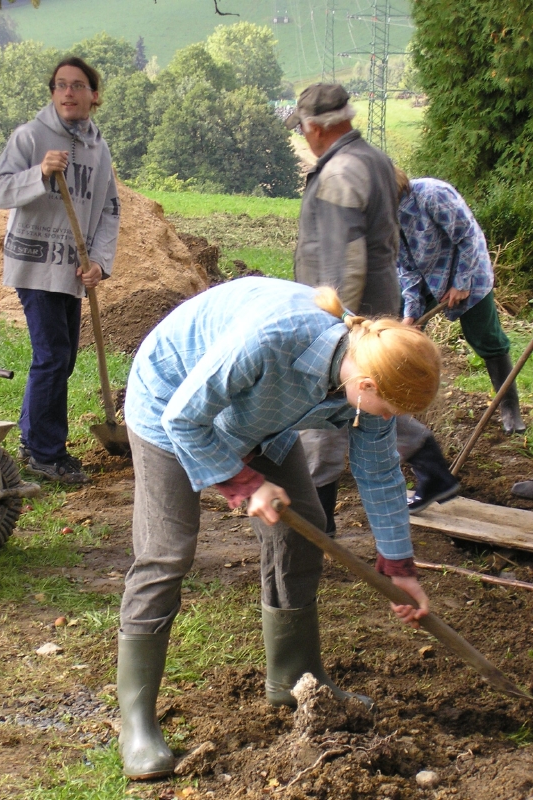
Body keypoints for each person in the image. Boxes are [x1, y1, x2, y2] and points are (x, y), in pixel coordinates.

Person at [118, 276, 435, 780]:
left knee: (303, 525)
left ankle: (294, 678)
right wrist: (243, 484)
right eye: (391, 409)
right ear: (368, 387)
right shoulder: (273, 337)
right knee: (167, 552)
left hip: (258, 417)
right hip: (170, 404)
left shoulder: (367, 374)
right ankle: (135, 722)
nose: (390, 418)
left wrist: (398, 565)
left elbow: (378, 472)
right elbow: (185, 418)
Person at [285, 83, 458, 522]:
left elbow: (344, 257)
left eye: (303, 130)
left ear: (315, 128)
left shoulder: (340, 173)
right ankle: (432, 467)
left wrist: (338, 325)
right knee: (375, 399)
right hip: (378, 302)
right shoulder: (375, 159)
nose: (304, 139)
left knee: (322, 418)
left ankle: (317, 528)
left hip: (344, 313)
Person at [0, 56, 120, 485]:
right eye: (61, 85)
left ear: (93, 95)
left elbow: (108, 211)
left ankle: (34, 442)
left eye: (78, 85)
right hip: (33, 263)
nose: (68, 92)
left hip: (72, 269)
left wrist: (99, 261)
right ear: (53, 93)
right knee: (51, 357)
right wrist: (40, 172)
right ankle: (46, 452)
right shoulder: (30, 136)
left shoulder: (98, 149)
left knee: (59, 361)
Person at [396, 169, 526, 436]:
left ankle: (510, 408)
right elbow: (406, 268)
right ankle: (408, 404)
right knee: (402, 330)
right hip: (428, 278)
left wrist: (461, 282)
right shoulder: (385, 217)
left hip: (467, 270)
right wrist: (411, 312)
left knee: (486, 338)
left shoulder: (431, 194)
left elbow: (468, 237)